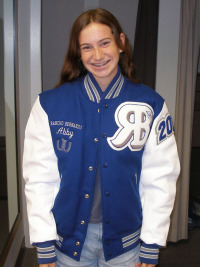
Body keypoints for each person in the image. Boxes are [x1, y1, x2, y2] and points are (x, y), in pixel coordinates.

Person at [23, 8, 180, 267]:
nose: (97, 55)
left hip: (125, 244)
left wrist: (151, 244)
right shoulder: (49, 106)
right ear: (79, 53)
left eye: (104, 43)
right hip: (68, 243)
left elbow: (160, 179)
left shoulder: (151, 104)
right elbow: (39, 179)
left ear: (121, 42)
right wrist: (44, 243)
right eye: (87, 47)